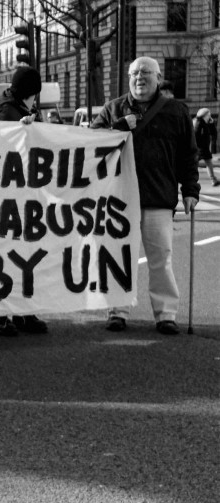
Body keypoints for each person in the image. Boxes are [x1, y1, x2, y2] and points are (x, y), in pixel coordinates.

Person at [91, 56, 199, 335]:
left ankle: (166, 314)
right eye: (134, 73)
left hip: (157, 199)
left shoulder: (176, 111)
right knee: (118, 257)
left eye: (146, 73)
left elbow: (188, 155)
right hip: (118, 200)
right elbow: (90, 144)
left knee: (160, 259)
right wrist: (119, 127)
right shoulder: (113, 109)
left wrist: (190, 191)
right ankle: (117, 310)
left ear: (158, 77)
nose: (139, 78)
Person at [0, 66, 49, 336]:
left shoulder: (18, 112)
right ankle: (2, 315)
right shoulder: (8, 114)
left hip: (23, 197)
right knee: (9, 256)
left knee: (25, 256)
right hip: (10, 198)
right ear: (32, 94)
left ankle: (23, 311)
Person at [193, 107, 220, 186]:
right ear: (205, 115)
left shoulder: (205, 123)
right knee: (193, 165)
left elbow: (213, 134)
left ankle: (213, 180)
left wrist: (211, 124)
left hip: (203, 148)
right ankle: (189, 180)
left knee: (208, 163)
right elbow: (195, 136)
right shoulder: (198, 123)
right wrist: (198, 147)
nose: (210, 116)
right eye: (209, 115)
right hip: (199, 149)